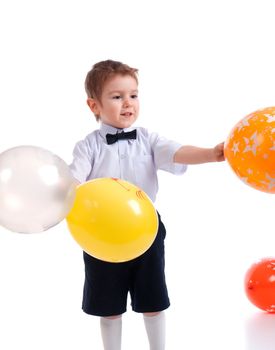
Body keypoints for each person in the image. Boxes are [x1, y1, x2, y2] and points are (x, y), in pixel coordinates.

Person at [69, 59, 225, 350]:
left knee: (152, 298)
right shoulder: (87, 146)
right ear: (94, 106)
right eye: (117, 97)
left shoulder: (148, 139)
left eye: (133, 95)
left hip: (146, 232)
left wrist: (211, 153)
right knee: (108, 304)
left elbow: (179, 152)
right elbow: (72, 181)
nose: (128, 103)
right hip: (102, 237)